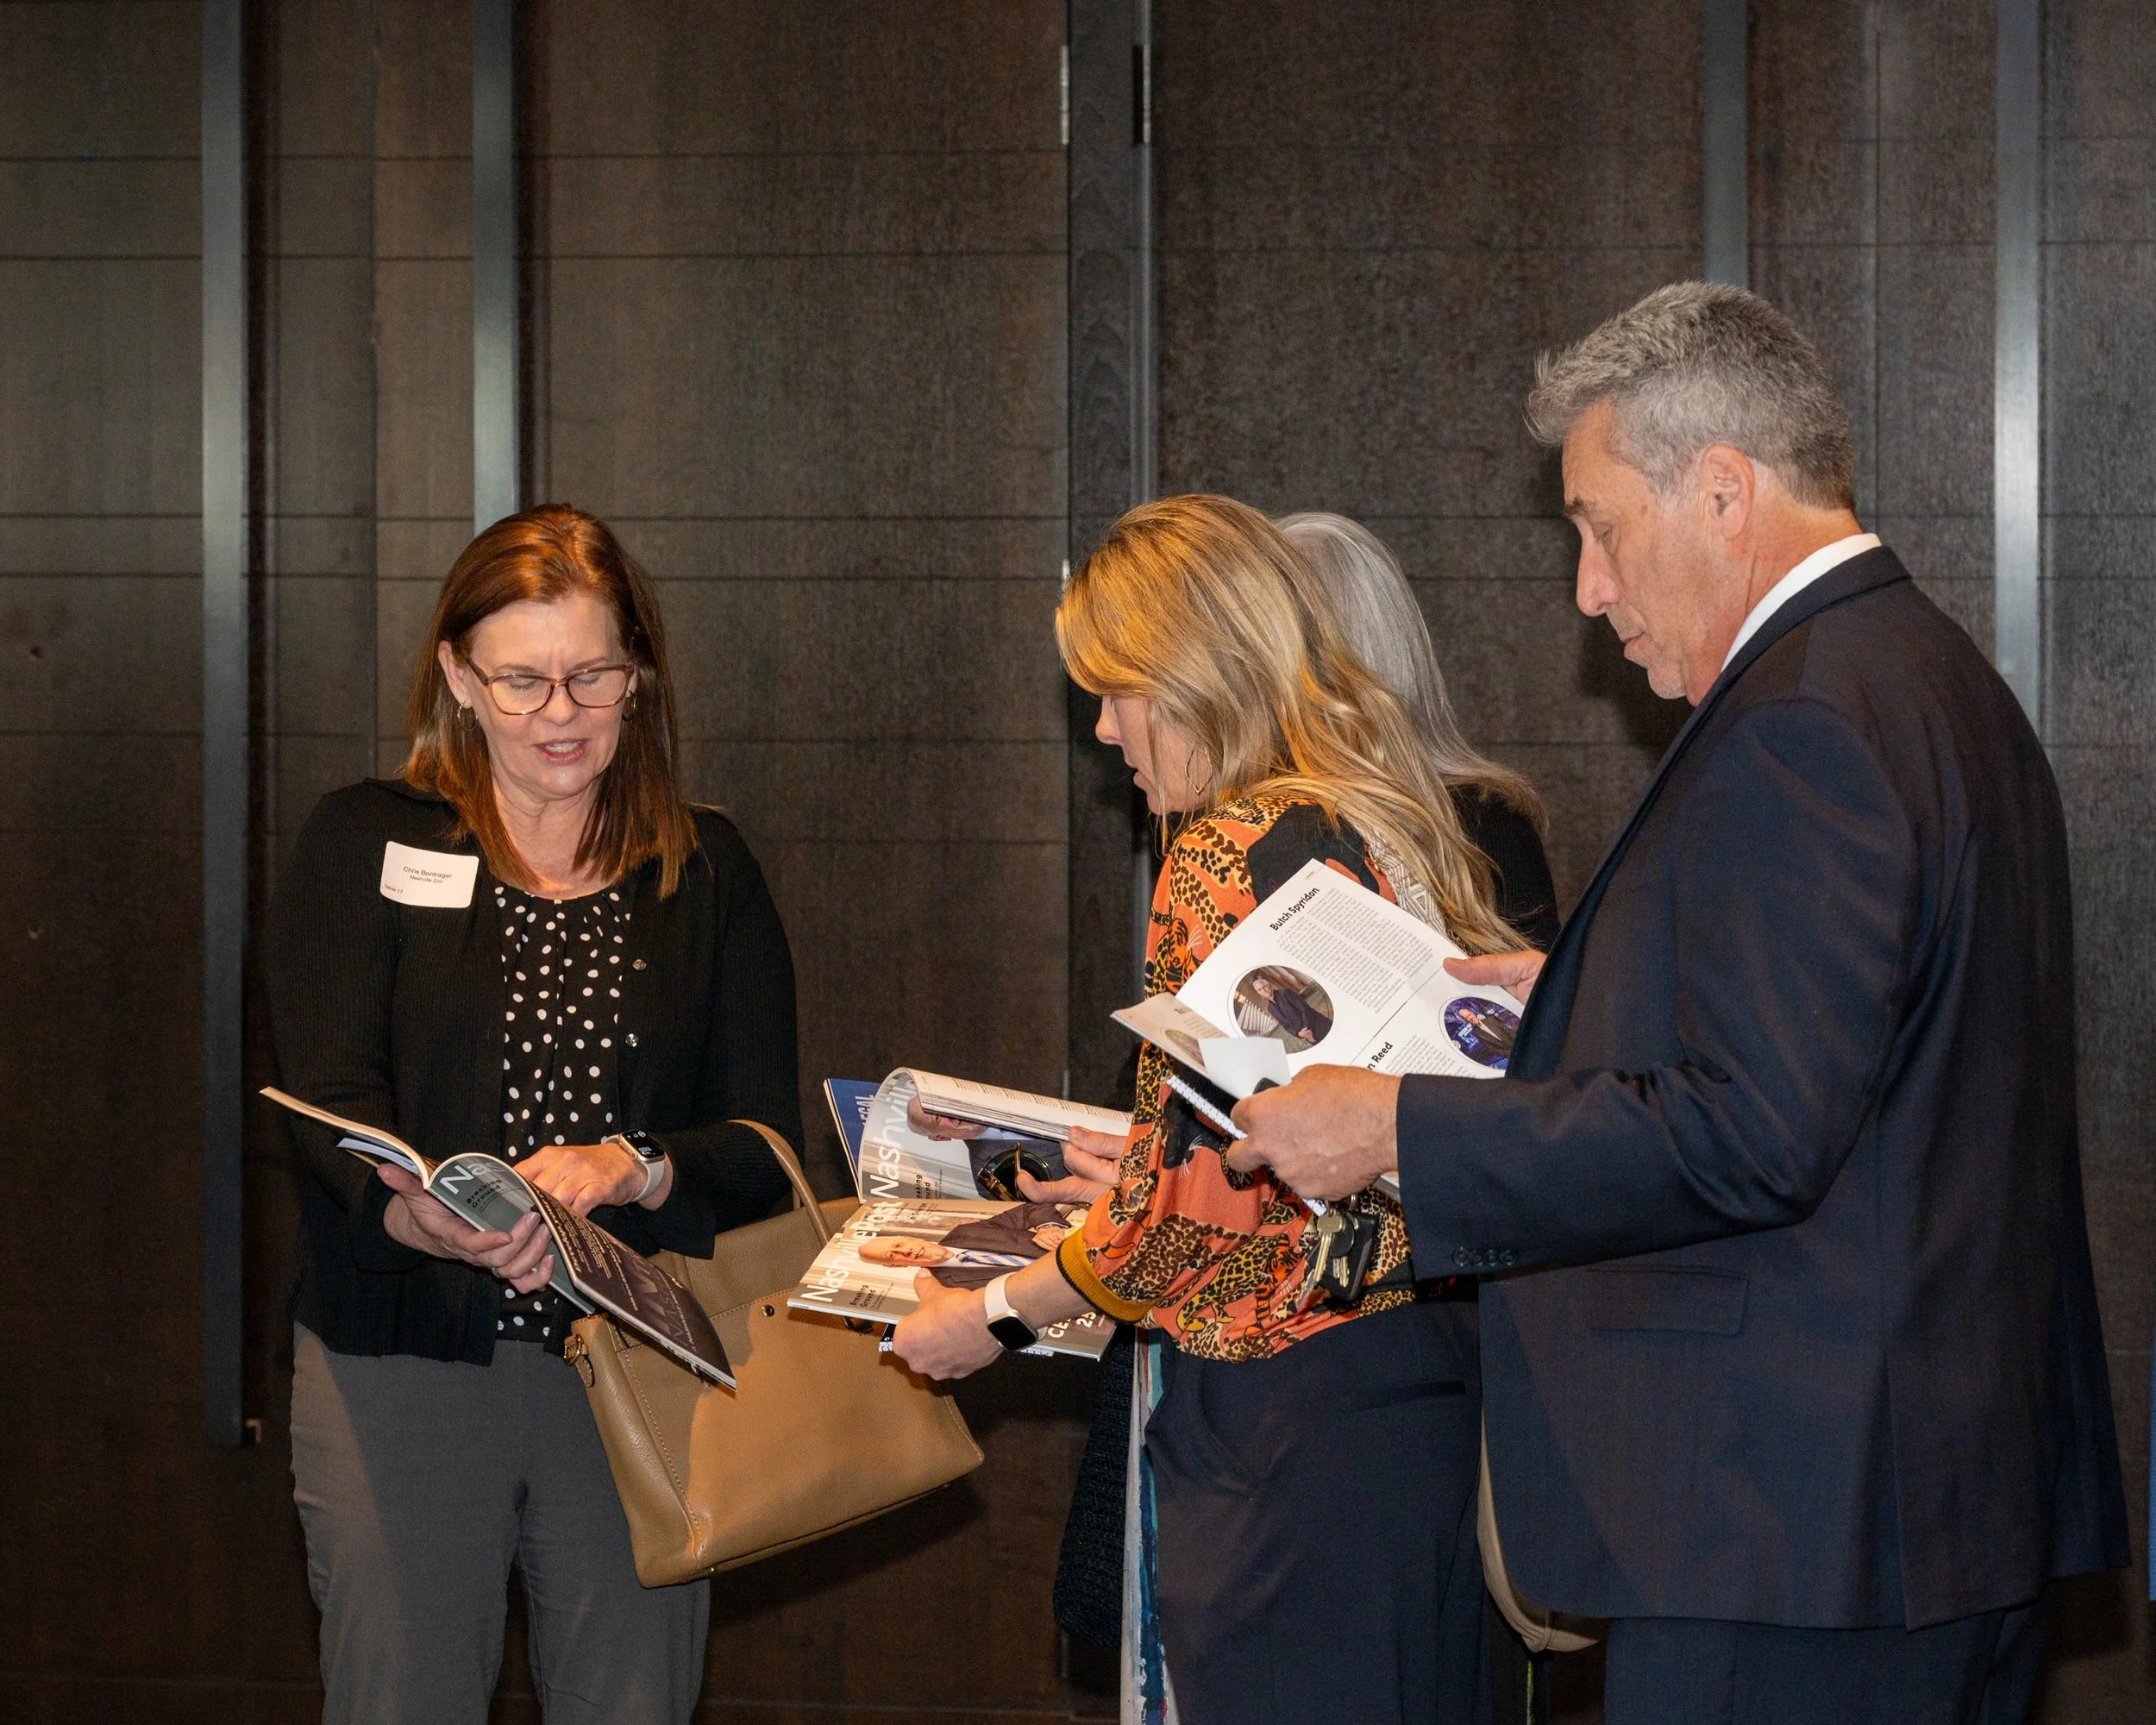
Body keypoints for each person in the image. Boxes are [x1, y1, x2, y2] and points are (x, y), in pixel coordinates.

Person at [1229, 285, 2129, 1725]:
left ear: (1722, 491)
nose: (1588, 586)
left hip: (1797, 1541)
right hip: (1910, 1511)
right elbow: (1874, 1069)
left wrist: (1403, 1127)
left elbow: (1752, 1135)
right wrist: (1578, 1006)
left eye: (1597, 524)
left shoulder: (1803, 723)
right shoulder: (1934, 679)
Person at [892, 493, 1551, 1725]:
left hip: (1286, 1443)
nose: (1103, 730)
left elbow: (1193, 1217)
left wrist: (991, 1315)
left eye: (1119, 691)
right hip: (1434, 1398)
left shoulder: (1225, 847)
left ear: (1196, 680)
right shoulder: (1389, 816)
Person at [266, 505, 803, 1725]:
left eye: (591, 675)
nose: (558, 713)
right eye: (519, 680)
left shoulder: (704, 870)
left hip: (636, 1374)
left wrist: (639, 1165)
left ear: (640, 675)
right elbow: (325, 1108)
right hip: (400, 1366)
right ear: (457, 675)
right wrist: (425, 1227)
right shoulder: (367, 842)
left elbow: (765, 1148)